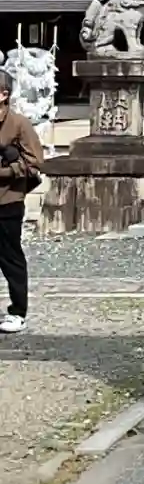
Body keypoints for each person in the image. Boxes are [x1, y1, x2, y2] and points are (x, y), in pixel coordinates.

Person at [0, 69, 43, 335]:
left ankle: (18, 311)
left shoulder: (18, 124)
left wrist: (7, 170)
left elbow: (35, 163)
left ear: (3, 95)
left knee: (10, 257)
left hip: (7, 199)